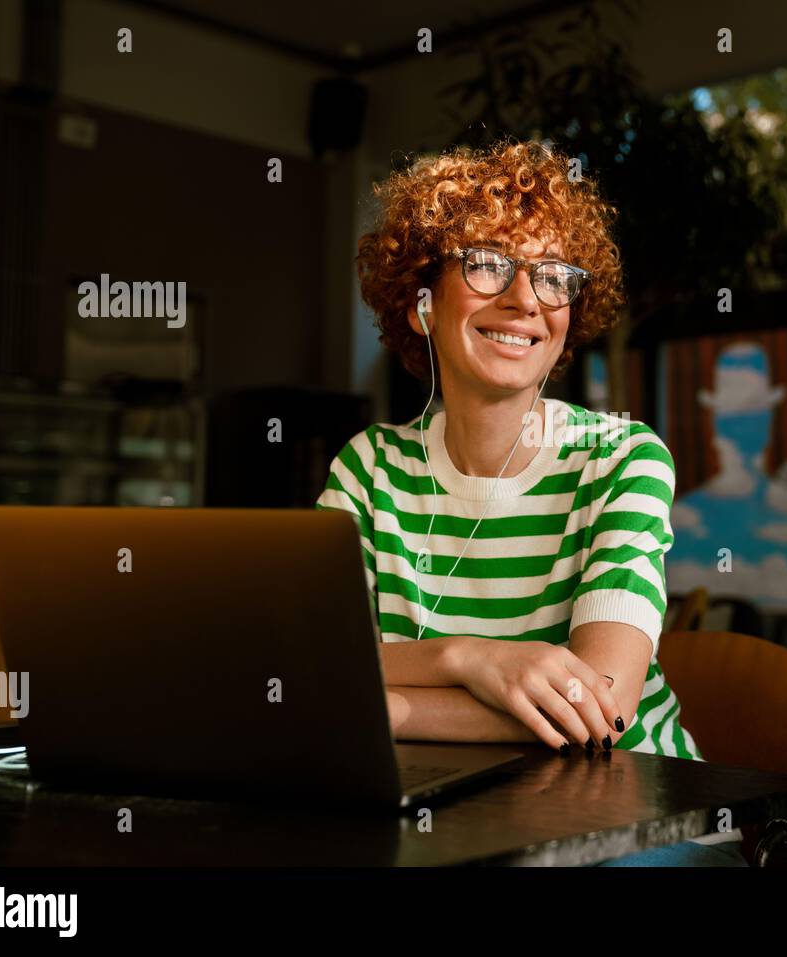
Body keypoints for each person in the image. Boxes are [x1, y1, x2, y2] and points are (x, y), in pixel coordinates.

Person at [316, 139, 745, 865]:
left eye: (554, 278)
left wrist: (383, 706)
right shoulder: (367, 469)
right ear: (421, 303)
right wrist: (471, 659)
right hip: (464, 815)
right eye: (487, 264)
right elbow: (320, 669)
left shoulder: (622, 458)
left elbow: (600, 707)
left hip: (644, 826)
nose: (524, 298)